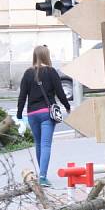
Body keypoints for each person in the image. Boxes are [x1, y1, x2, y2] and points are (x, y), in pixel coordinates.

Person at [16, 45, 71, 186]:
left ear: (34, 56)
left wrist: (19, 114)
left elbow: (22, 96)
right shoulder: (51, 72)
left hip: (32, 114)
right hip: (47, 113)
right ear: (47, 56)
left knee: (39, 144)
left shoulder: (28, 73)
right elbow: (60, 92)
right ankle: (42, 176)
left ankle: (42, 174)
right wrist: (67, 106)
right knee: (46, 144)